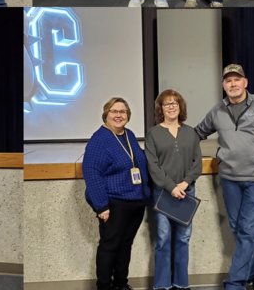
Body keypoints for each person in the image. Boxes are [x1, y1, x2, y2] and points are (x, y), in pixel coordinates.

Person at [194, 65, 254, 290]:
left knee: (248, 230)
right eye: (228, 81)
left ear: (245, 82)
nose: (232, 84)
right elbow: (197, 133)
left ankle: (234, 283)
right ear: (223, 85)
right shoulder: (217, 111)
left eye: (237, 79)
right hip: (229, 179)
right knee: (240, 229)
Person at [82, 97, 150, 290]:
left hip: (136, 201)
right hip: (114, 204)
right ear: (106, 114)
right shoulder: (99, 140)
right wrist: (101, 206)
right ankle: (104, 286)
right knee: (109, 246)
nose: (119, 115)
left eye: (123, 112)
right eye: (114, 111)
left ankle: (121, 284)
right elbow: (91, 172)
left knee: (125, 245)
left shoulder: (128, 135)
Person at [144, 90, 202, 290]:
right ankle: (162, 285)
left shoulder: (191, 132)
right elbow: (153, 166)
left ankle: (181, 283)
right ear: (160, 108)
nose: (171, 106)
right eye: (166, 103)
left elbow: (197, 164)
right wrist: (171, 187)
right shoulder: (153, 133)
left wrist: (183, 185)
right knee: (163, 239)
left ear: (180, 107)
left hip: (187, 193)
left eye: (175, 103)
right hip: (162, 193)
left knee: (183, 239)